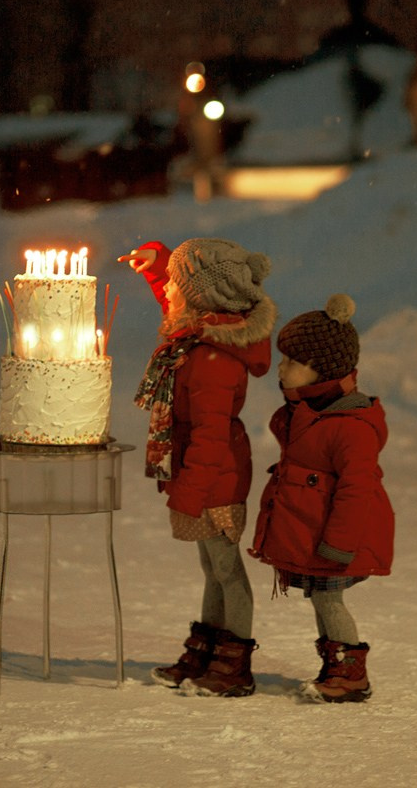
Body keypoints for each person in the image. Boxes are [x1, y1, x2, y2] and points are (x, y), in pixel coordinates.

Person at [118, 238, 276, 696]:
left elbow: (209, 439)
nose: (166, 290)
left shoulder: (209, 359)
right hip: (205, 475)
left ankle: (235, 661)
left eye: (172, 284)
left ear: (200, 298)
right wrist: (158, 266)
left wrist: (189, 494)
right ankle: (209, 649)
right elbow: (183, 299)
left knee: (227, 570)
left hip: (216, 479)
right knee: (212, 568)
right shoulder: (199, 334)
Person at [248, 294, 393, 703]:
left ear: (323, 372)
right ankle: (335, 666)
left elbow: (355, 491)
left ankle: (350, 674)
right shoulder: (310, 413)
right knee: (321, 598)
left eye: (293, 362)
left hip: (338, 538)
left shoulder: (349, 427)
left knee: (329, 598)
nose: (281, 368)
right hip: (315, 533)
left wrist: (339, 545)